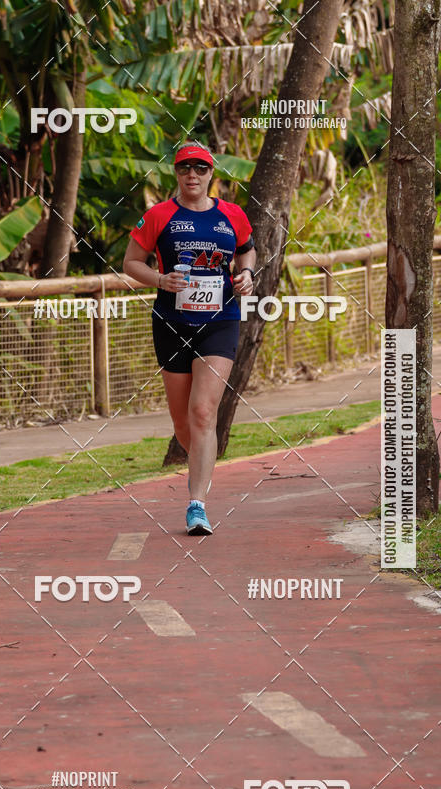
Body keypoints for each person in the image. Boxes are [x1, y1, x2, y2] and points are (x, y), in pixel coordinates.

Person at [123, 141, 256, 535]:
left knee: (203, 412)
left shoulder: (232, 215)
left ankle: (197, 505)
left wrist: (246, 274)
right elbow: (131, 262)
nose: (192, 175)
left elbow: (247, 251)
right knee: (184, 421)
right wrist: (160, 279)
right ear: (176, 175)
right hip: (171, 321)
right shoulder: (159, 215)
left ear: (211, 174)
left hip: (220, 319)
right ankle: (201, 458)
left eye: (200, 168)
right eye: (185, 169)